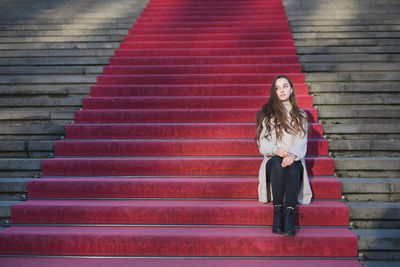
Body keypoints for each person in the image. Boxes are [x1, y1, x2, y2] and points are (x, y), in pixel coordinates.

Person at [255, 74, 312, 236]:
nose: (282, 90)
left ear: (291, 89)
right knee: (277, 163)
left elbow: (302, 141)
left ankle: (289, 214)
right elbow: (262, 142)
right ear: (274, 92)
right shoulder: (267, 114)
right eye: (278, 88)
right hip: (273, 160)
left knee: (293, 166)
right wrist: (276, 150)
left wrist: (293, 155)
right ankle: (278, 212)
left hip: (294, 158)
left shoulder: (300, 115)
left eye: (285, 86)